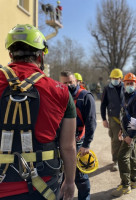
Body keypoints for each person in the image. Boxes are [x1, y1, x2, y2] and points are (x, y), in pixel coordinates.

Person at [0, 24, 76, 200]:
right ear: (41, 56)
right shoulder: (61, 91)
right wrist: (70, 181)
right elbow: (68, 146)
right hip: (43, 188)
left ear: (11, 54)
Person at [60, 70, 97, 200]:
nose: (68, 85)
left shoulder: (85, 96)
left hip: (78, 141)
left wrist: (86, 144)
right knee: (61, 175)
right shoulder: (59, 96)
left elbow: (91, 121)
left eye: (71, 82)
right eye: (65, 83)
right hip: (61, 141)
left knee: (80, 176)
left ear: (76, 82)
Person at [111, 73, 136, 197]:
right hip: (126, 131)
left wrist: (130, 136)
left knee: (122, 157)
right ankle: (133, 181)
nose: (129, 85)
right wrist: (121, 128)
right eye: (127, 83)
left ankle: (125, 186)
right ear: (124, 84)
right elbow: (124, 114)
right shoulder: (126, 96)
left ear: (135, 84)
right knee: (132, 156)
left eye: (132, 83)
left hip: (131, 132)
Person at [100, 68, 124, 171]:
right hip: (113, 118)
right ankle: (116, 161)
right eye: (112, 78)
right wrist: (104, 119)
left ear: (120, 78)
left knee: (126, 139)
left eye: (116, 78)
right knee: (115, 140)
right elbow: (103, 105)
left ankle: (125, 160)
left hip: (125, 118)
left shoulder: (125, 87)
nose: (114, 79)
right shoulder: (107, 89)